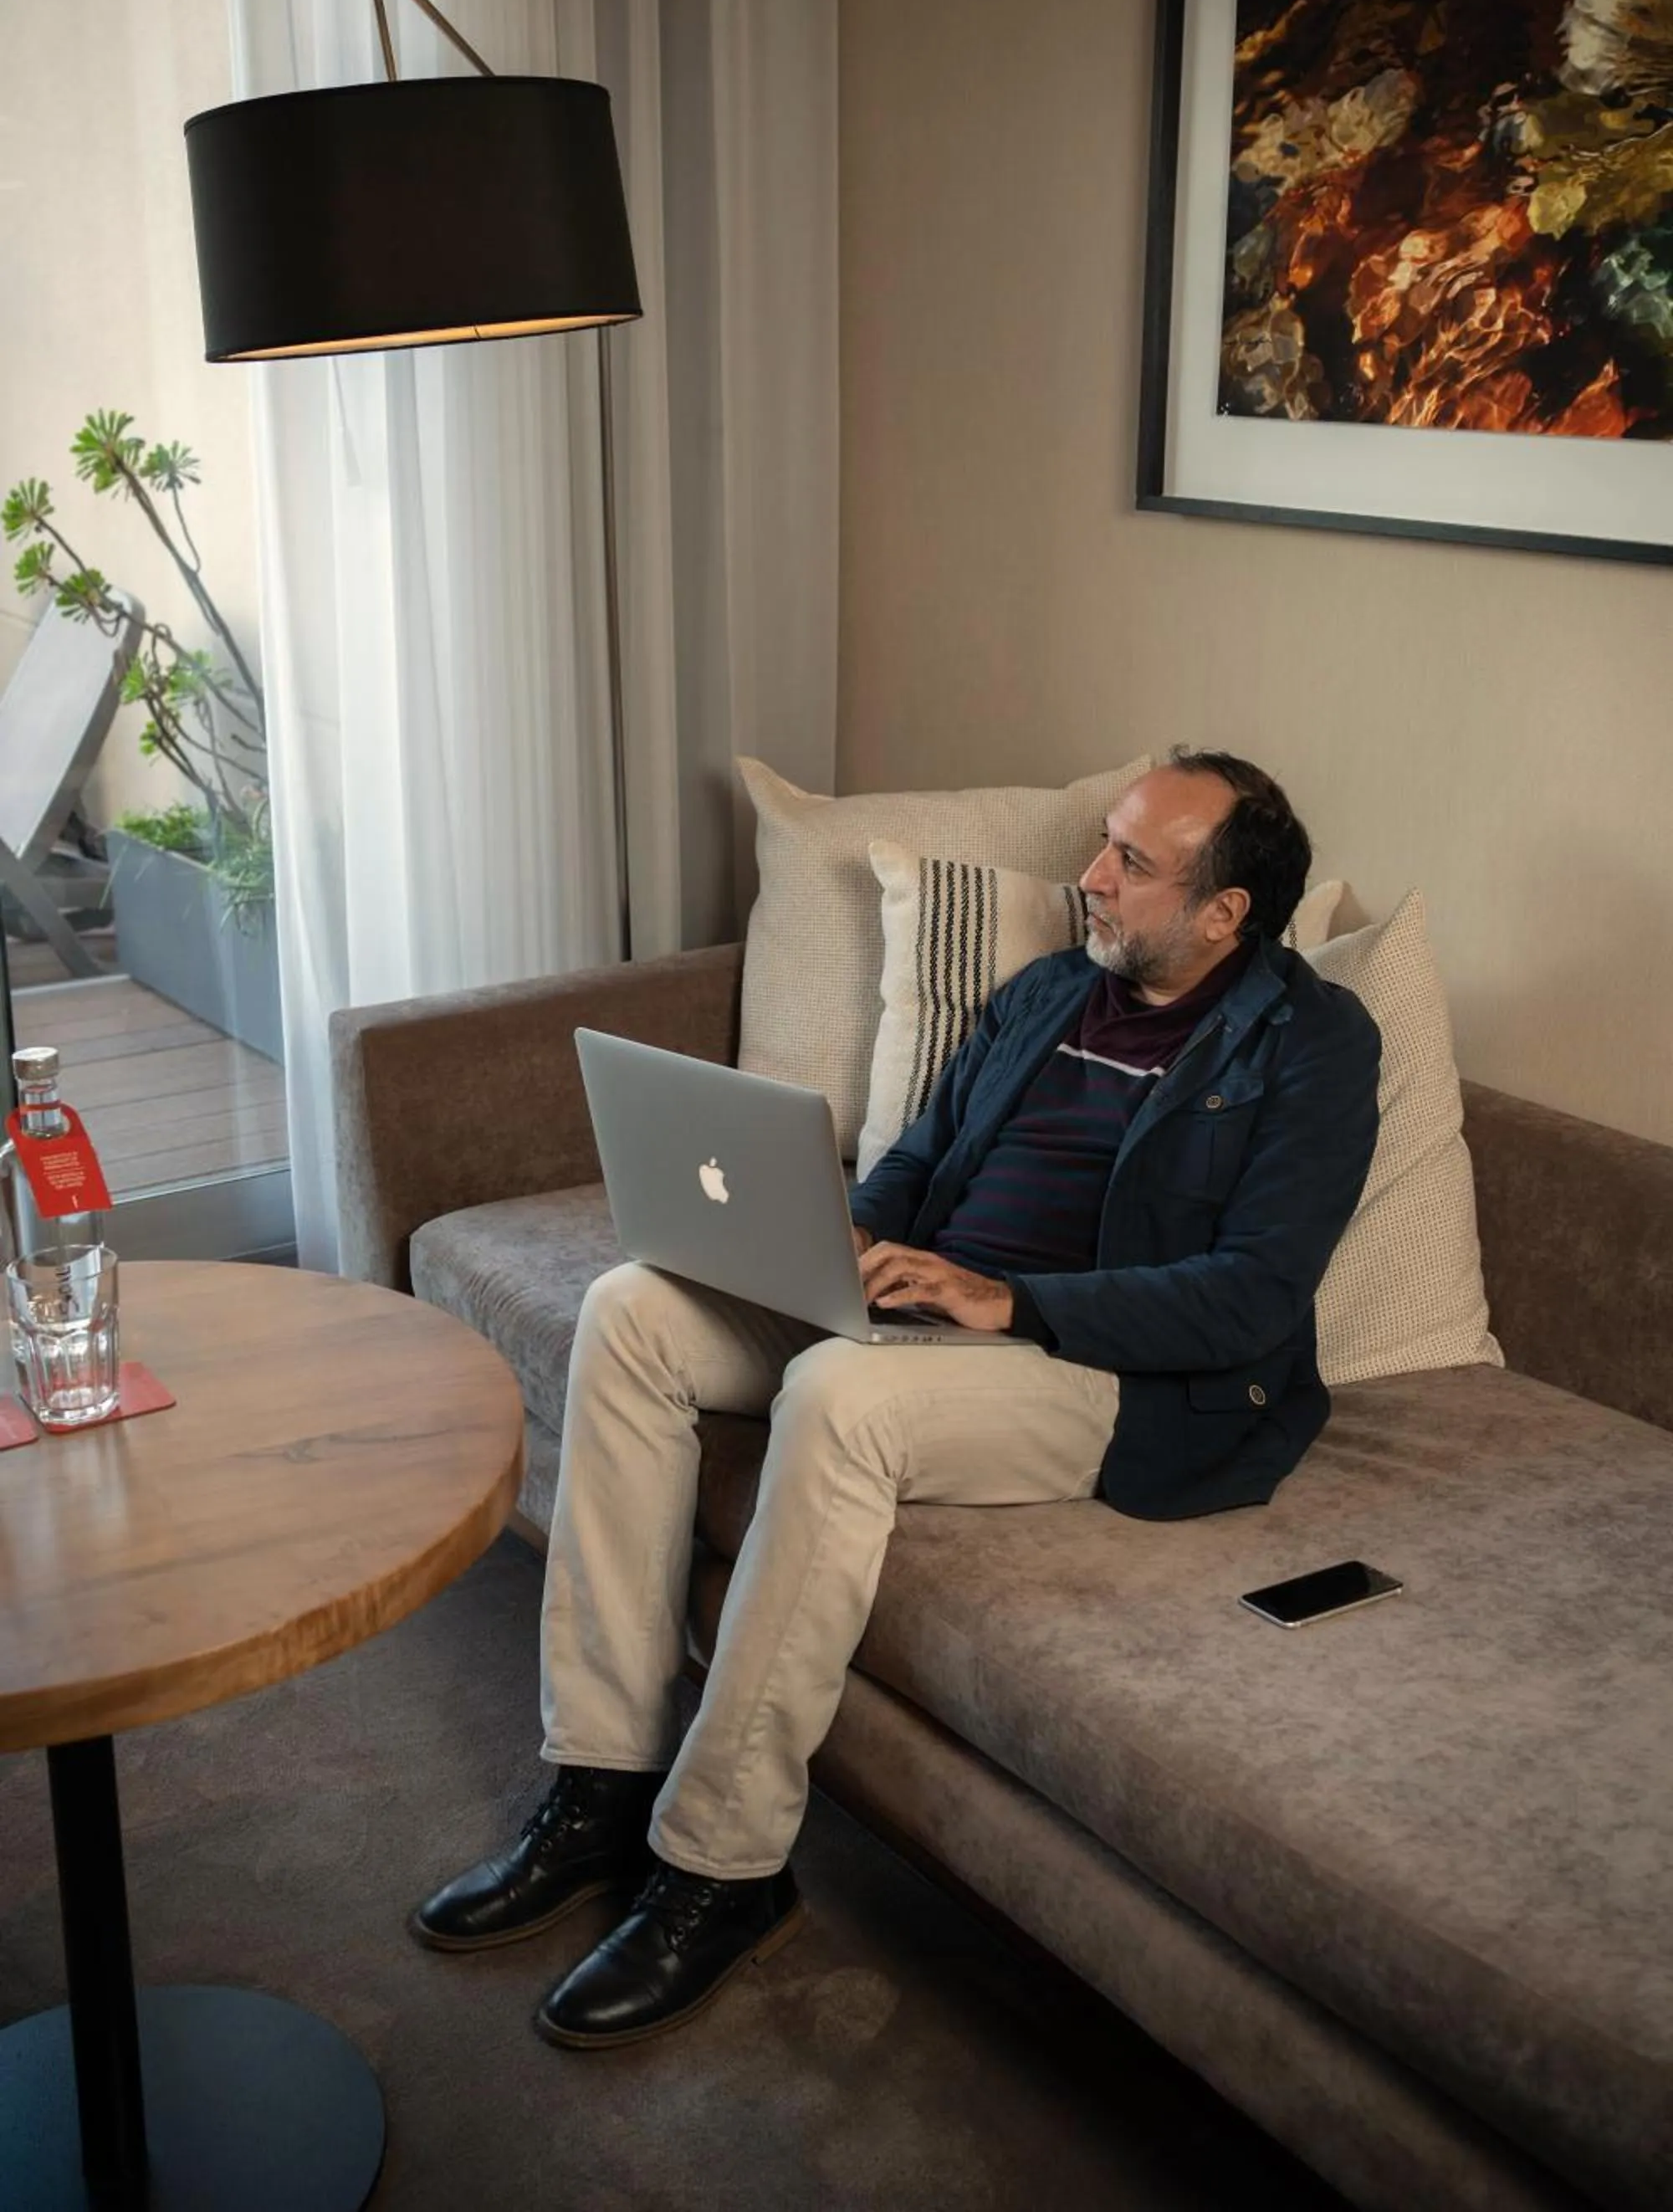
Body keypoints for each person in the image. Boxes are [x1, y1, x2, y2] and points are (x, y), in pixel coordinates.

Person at [412, 749, 1382, 2050]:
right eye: (1103, 843)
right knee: (631, 1309)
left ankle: (720, 1868)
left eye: (1130, 865)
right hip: (922, 1311)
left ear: (1224, 913)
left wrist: (1007, 1302)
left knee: (839, 1396)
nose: (1087, 878)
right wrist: (833, 1249)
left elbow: (1250, 1297)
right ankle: (598, 1783)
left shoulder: (1312, 1047)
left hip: (1111, 1374)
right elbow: (919, 1160)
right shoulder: (1047, 994)